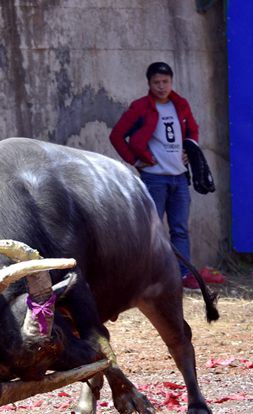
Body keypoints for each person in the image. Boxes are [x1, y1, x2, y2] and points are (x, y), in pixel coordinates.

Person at [109, 61, 201, 290]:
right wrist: (136, 161)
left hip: (179, 178)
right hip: (154, 178)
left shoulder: (180, 105)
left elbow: (193, 131)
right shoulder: (141, 107)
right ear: (149, 84)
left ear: (171, 81)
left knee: (180, 229)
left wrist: (190, 149)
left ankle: (183, 275)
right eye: (156, 82)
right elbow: (117, 136)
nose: (161, 86)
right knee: (152, 230)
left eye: (165, 81)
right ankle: (150, 277)